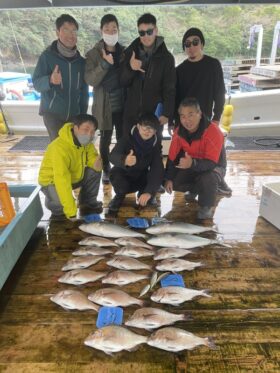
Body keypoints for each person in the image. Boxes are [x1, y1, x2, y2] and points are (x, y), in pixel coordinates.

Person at [175, 27, 231, 195]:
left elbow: (219, 92)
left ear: (202, 44)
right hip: (187, 120)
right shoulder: (180, 70)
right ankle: (196, 184)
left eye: (195, 42)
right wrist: (175, 121)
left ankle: (220, 181)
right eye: (187, 44)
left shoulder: (213, 64)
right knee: (191, 152)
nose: (191, 47)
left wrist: (217, 117)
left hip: (207, 118)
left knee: (217, 153)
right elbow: (176, 98)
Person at [164, 97, 226, 220]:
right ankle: (197, 189)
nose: (187, 120)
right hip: (192, 163)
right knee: (174, 182)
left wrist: (192, 163)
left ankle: (206, 205)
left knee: (208, 178)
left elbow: (211, 163)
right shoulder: (179, 132)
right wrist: (168, 179)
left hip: (214, 166)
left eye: (191, 115)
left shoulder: (213, 132)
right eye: (183, 116)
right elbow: (172, 158)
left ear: (200, 114)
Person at [33, 14, 89, 141]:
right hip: (53, 115)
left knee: (74, 147)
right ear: (58, 32)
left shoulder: (81, 62)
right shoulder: (47, 57)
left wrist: (83, 115)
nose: (71, 35)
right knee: (59, 149)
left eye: (74, 31)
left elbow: (84, 92)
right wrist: (50, 80)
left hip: (74, 116)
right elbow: (36, 83)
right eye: (66, 30)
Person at [120, 13, 175, 138]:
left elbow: (170, 88)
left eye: (149, 31)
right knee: (130, 151)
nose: (146, 36)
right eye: (142, 33)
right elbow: (122, 82)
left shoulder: (167, 58)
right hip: (131, 115)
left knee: (153, 149)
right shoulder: (130, 53)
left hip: (153, 115)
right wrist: (130, 68)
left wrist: (167, 113)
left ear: (156, 30)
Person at [85, 14, 125, 185]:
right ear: (101, 31)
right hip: (104, 105)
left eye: (114, 29)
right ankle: (106, 168)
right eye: (107, 29)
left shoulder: (125, 52)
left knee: (123, 137)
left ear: (118, 31)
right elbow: (90, 80)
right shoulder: (93, 54)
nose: (111, 32)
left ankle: (122, 166)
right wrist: (105, 64)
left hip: (123, 104)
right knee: (105, 138)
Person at [38, 114, 102, 220]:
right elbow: (61, 178)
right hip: (53, 181)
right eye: (86, 129)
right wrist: (71, 212)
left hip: (73, 177)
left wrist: (96, 163)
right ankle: (52, 202)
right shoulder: (58, 147)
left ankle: (87, 201)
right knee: (60, 206)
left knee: (94, 170)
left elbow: (92, 157)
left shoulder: (86, 143)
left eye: (92, 131)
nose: (89, 134)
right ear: (75, 127)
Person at [108, 113, 164, 213]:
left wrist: (149, 192)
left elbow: (157, 170)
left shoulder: (155, 147)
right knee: (119, 181)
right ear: (138, 126)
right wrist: (124, 160)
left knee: (150, 182)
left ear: (155, 131)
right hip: (123, 174)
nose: (147, 131)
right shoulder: (126, 139)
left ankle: (144, 196)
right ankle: (119, 197)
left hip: (140, 176)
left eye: (151, 129)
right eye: (145, 127)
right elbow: (112, 156)